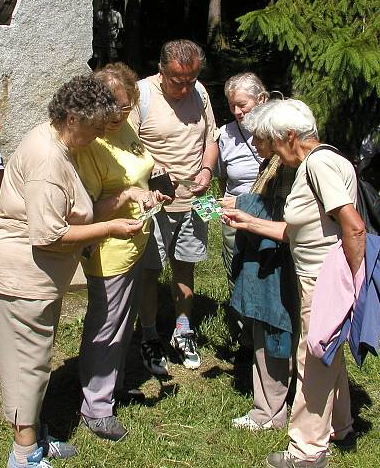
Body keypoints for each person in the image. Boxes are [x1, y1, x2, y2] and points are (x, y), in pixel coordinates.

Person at [0, 75, 143, 468]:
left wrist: (125, 197)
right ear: (72, 117)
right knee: (26, 366)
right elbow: (49, 235)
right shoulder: (49, 159)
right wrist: (111, 229)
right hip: (18, 276)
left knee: (35, 361)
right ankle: (24, 456)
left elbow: (75, 212)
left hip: (35, 278)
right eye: (96, 126)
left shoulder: (60, 143)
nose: (102, 132)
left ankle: (34, 437)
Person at [222, 99, 366, 468]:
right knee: (327, 354)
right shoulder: (319, 162)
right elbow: (299, 231)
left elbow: (353, 225)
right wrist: (249, 221)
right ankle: (341, 425)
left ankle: (306, 451)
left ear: (290, 136)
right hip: (320, 276)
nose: (268, 149)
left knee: (311, 360)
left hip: (324, 280)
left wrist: (352, 283)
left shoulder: (317, 164)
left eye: (271, 141)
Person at [72, 63, 168, 442]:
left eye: (125, 107)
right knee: (105, 327)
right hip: (109, 249)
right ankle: (95, 407)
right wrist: (129, 195)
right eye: (110, 109)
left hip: (137, 238)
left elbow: (138, 168)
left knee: (121, 324)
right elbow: (87, 213)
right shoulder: (92, 142)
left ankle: (112, 386)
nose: (117, 116)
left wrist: (151, 190)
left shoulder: (123, 125)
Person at [129, 39, 218, 372]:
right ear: (161, 69)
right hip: (154, 204)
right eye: (177, 80)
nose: (184, 87)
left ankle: (183, 329)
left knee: (185, 264)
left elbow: (211, 138)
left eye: (191, 80)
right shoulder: (141, 95)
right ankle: (150, 336)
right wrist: (154, 171)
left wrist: (207, 170)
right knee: (150, 271)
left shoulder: (201, 93)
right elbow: (127, 145)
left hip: (193, 200)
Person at [226, 101, 297, 432]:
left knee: (274, 332)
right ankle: (273, 405)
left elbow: (283, 216)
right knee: (265, 331)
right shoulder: (274, 162)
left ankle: (268, 411)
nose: (254, 145)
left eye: (259, 139)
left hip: (278, 265)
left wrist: (242, 206)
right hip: (266, 260)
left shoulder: (291, 168)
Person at [217, 72, 269, 346]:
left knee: (265, 272)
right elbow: (224, 178)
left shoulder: (276, 130)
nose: (237, 111)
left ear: (261, 99)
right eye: (232, 105)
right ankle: (243, 334)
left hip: (269, 216)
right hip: (233, 217)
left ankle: (265, 330)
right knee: (235, 270)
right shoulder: (225, 135)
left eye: (243, 105)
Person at [93, 0, 124, 66]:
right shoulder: (98, 14)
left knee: (112, 60)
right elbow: (95, 28)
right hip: (100, 40)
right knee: (99, 60)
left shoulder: (117, 14)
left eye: (107, 2)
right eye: (104, 2)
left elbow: (120, 28)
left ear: (110, 3)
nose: (105, 4)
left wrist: (119, 41)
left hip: (112, 41)